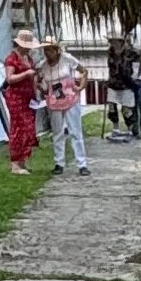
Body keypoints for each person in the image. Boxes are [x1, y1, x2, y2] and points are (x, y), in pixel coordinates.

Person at [39, 34, 90, 175]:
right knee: (57, 132)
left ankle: (82, 164)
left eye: (50, 50)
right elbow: (38, 80)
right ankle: (59, 162)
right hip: (54, 102)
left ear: (57, 50)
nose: (48, 53)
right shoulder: (43, 66)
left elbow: (83, 71)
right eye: (45, 50)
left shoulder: (67, 59)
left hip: (70, 99)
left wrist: (81, 86)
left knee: (75, 131)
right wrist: (42, 90)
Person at [0, 28, 44, 174]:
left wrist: (37, 88)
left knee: (28, 128)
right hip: (16, 98)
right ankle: (15, 163)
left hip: (28, 98)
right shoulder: (12, 59)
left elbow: (33, 77)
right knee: (18, 128)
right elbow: (9, 79)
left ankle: (23, 159)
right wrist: (26, 74)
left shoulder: (28, 59)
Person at [105, 26, 141, 138]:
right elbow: (111, 67)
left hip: (126, 84)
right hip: (113, 83)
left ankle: (130, 131)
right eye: (111, 41)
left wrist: (135, 75)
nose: (113, 43)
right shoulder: (110, 52)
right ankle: (116, 129)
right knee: (111, 107)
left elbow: (138, 63)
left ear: (121, 41)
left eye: (115, 41)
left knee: (127, 109)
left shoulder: (131, 52)